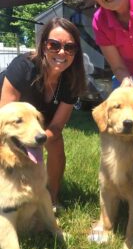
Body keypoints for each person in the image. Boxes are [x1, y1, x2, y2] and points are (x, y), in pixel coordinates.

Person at [0, 17, 86, 207]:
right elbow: (4, 117)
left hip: (38, 122)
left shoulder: (72, 81)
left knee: (55, 143)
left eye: (70, 47)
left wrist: (38, 139)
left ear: (76, 53)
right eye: (54, 45)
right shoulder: (23, 67)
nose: (62, 52)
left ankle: (51, 198)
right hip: (8, 117)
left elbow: (56, 127)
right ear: (43, 46)